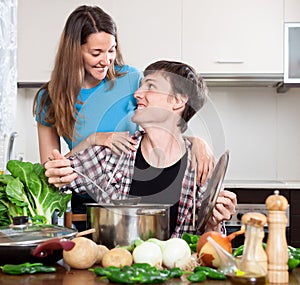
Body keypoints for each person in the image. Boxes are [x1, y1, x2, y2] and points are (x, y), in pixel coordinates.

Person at [44, 60, 236, 237]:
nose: (137, 94)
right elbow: (53, 179)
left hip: (179, 274)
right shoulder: (112, 154)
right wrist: (57, 173)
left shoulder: (201, 166)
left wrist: (214, 223)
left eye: (151, 86)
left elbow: (211, 247)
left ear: (178, 101)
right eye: (141, 86)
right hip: (117, 270)